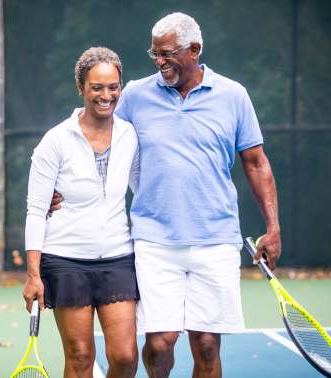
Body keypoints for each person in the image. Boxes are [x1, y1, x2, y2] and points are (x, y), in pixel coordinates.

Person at [51, 12, 281, 378]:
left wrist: (273, 226)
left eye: (167, 53)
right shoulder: (137, 95)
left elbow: (255, 163)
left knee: (207, 345)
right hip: (153, 241)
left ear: (195, 49)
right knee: (159, 346)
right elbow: (92, 129)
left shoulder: (234, 96)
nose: (159, 61)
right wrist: (57, 185)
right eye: (154, 54)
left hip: (216, 239)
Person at [22, 47, 139, 378]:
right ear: (81, 88)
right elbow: (35, 210)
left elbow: (144, 189)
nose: (106, 95)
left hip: (118, 257)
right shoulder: (55, 141)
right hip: (65, 260)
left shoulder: (130, 135)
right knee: (79, 356)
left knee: (126, 356)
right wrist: (33, 273)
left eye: (113, 87)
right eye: (97, 87)